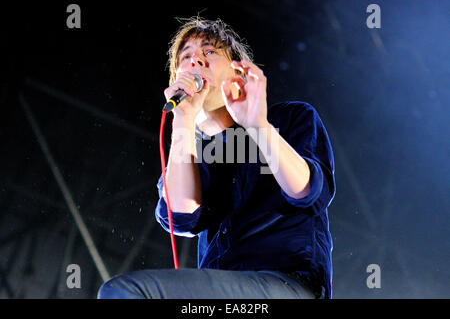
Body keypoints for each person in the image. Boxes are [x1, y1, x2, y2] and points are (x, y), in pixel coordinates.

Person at [98, 16, 336, 299]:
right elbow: (181, 216)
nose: (195, 60)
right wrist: (183, 119)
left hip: (288, 286)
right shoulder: (190, 151)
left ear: (238, 72)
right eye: (185, 57)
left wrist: (257, 125)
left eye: (209, 52)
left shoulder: (291, 117)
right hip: (221, 296)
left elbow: (307, 192)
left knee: (125, 292)